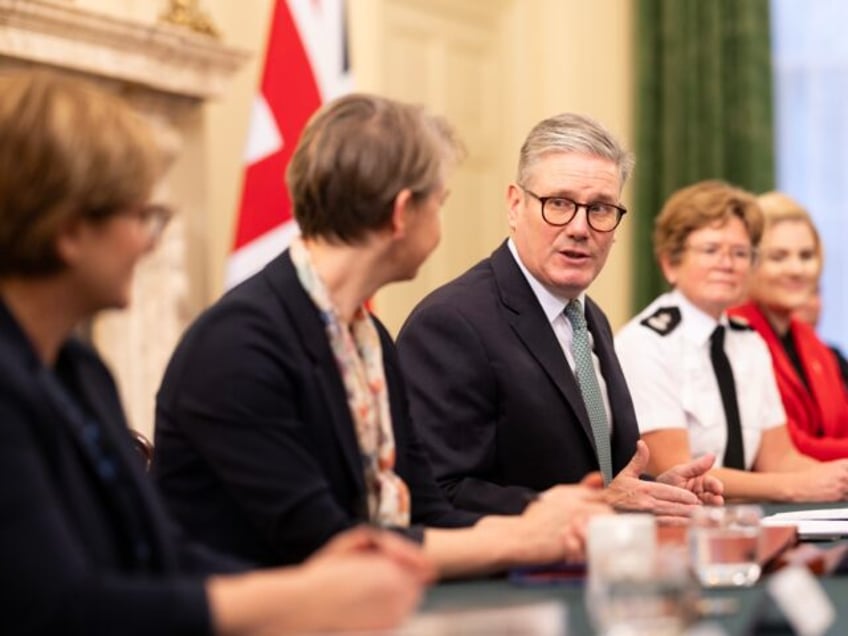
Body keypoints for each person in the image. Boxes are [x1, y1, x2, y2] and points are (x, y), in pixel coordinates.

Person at [0, 70, 434, 635]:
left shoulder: (80, 369)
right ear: (68, 230)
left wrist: (316, 586)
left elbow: (159, 553)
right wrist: (303, 599)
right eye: (141, 217)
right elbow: (58, 611)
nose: (149, 242)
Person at [153, 94, 611, 577]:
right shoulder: (239, 346)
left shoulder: (368, 336)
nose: (439, 225)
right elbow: (331, 546)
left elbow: (428, 514)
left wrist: (547, 523)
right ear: (401, 214)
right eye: (439, 204)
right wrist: (527, 537)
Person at [395, 112, 723, 516]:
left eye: (601, 209)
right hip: (510, 575)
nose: (580, 227)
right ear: (515, 205)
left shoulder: (590, 317)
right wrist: (597, 506)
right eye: (560, 204)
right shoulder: (450, 324)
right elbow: (439, 494)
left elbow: (602, 478)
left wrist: (656, 493)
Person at [616, 180, 848, 501]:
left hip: (747, 523)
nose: (727, 263)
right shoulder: (646, 343)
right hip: (676, 527)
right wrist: (797, 486)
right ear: (671, 263)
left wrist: (836, 477)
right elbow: (676, 469)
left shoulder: (748, 342)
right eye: (711, 250)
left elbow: (779, 459)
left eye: (740, 253)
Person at [730, 192, 848, 460]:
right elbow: (786, 447)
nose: (796, 269)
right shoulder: (732, 335)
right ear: (748, 261)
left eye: (806, 256)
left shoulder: (811, 340)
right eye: (778, 257)